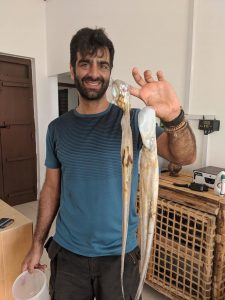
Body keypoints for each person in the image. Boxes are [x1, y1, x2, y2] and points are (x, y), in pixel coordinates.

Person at [22, 27, 196, 300]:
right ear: (72, 68)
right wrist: (36, 243)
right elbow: (51, 190)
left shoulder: (133, 121)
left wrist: (174, 119)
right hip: (68, 255)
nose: (94, 73)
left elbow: (184, 156)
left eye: (102, 65)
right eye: (85, 63)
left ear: (110, 70)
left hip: (120, 256)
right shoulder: (57, 129)